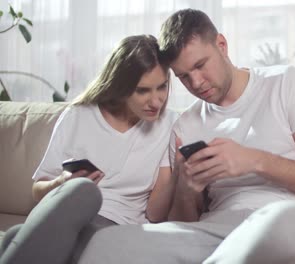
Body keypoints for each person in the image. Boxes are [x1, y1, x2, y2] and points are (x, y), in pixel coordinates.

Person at [78, 9, 295, 264]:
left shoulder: (284, 82)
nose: (197, 83)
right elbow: (182, 226)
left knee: (288, 223)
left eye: (201, 65)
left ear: (222, 45)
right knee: (106, 243)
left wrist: (254, 161)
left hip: (289, 222)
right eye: (183, 77)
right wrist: (185, 189)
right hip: (219, 231)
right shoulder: (186, 126)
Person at [0, 34, 178, 264]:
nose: (156, 101)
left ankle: (20, 245)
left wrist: (180, 174)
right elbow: (38, 190)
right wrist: (60, 184)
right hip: (65, 213)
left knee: (22, 238)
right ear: (121, 87)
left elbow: (156, 212)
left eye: (162, 87)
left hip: (116, 225)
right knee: (82, 193)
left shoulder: (169, 125)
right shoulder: (78, 115)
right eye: (143, 91)